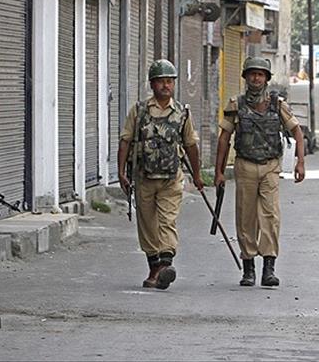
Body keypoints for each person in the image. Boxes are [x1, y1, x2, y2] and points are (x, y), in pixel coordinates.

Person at [214, 57, 305, 287]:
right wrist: (219, 172)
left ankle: (269, 268)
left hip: (270, 166)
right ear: (246, 77)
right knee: (246, 217)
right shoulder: (236, 104)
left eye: (260, 74)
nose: (256, 78)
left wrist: (300, 162)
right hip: (245, 166)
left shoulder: (277, 104)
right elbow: (224, 139)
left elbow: (297, 131)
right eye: (252, 74)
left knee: (270, 216)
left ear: (266, 78)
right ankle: (249, 269)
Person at [117, 59, 203, 290]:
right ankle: (154, 268)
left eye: (169, 81)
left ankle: (165, 265)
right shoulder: (139, 111)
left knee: (167, 221)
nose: (166, 85)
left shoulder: (182, 113)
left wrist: (197, 175)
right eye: (161, 81)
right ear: (152, 84)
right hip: (143, 177)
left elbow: (191, 145)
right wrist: (121, 172)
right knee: (147, 225)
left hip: (171, 178)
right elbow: (125, 141)